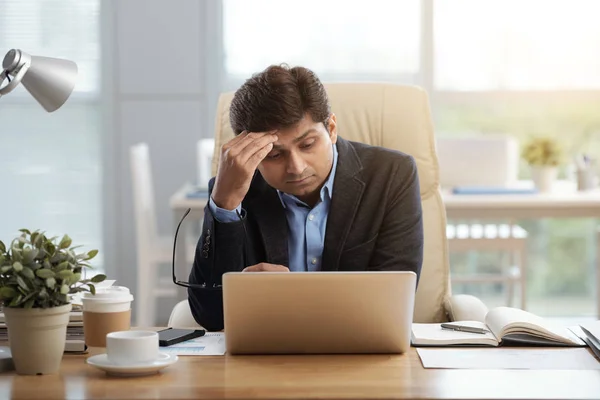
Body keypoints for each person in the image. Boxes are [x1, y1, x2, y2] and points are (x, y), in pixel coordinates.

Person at [188, 64, 423, 331]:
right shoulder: (235, 189)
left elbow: (393, 302)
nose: (296, 167)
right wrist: (224, 205)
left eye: (308, 145)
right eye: (274, 155)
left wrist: (290, 298)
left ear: (331, 128)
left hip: (360, 352)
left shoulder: (391, 174)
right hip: (265, 358)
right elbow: (209, 315)